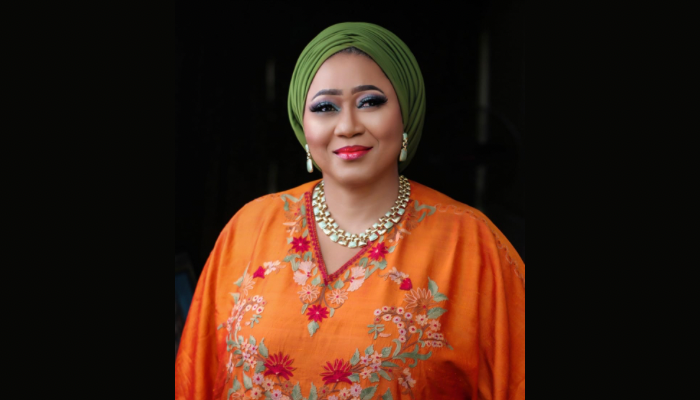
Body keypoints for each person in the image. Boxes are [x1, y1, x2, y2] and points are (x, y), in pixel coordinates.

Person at [175, 22, 525, 400]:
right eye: (325, 107)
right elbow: (196, 379)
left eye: (370, 102)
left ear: (406, 113)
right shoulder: (250, 228)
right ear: (303, 125)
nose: (348, 126)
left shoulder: (471, 245)